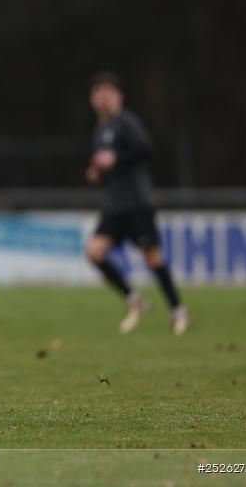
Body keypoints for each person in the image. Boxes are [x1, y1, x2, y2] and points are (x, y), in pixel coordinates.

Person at [84, 71, 190, 335]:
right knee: (94, 253)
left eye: (108, 93)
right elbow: (110, 167)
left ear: (119, 96)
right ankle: (135, 300)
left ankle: (179, 311)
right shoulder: (100, 129)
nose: (103, 99)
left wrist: (115, 160)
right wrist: (99, 174)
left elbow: (146, 150)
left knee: (153, 259)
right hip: (114, 207)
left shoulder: (127, 122)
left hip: (137, 204)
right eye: (98, 94)